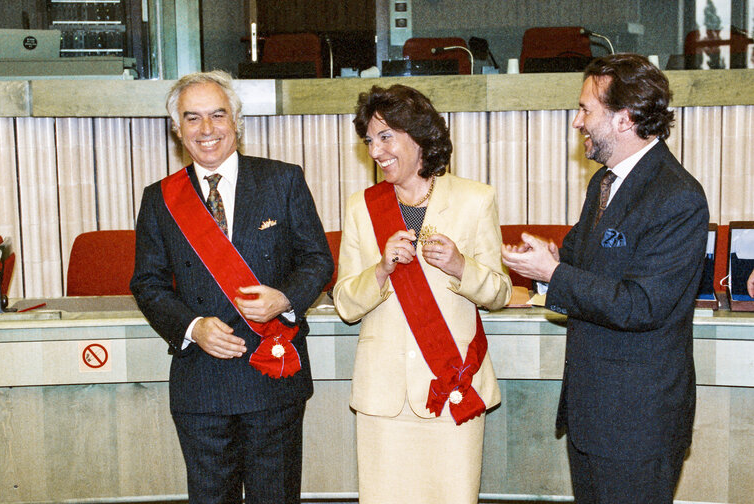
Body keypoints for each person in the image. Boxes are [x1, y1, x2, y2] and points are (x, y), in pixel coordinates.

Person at [502, 54, 709, 503]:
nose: (577, 122)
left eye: (585, 110)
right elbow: (577, 264)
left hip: (638, 426)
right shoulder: (603, 184)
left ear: (624, 119)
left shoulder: (678, 196)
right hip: (592, 416)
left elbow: (641, 305)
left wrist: (553, 273)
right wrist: (545, 264)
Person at [130, 70, 333, 504]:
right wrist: (192, 326)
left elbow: (317, 260)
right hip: (201, 382)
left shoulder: (283, 180)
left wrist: (285, 298)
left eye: (217, 115)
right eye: (192, 118)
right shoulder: (159, 198)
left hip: (273, 377)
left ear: (236, 121)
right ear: (177, 129)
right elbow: (147, 282)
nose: (207, 130)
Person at [333, 84, 512, 504]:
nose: (376, 151)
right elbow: (344, 302)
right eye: (369, 141)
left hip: (452, 387)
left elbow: (500, 292)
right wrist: (380, 270)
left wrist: (460, 266)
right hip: (385, 398)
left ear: (419, 136)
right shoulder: (362, 205)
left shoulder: (475, 199)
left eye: (385, 136)